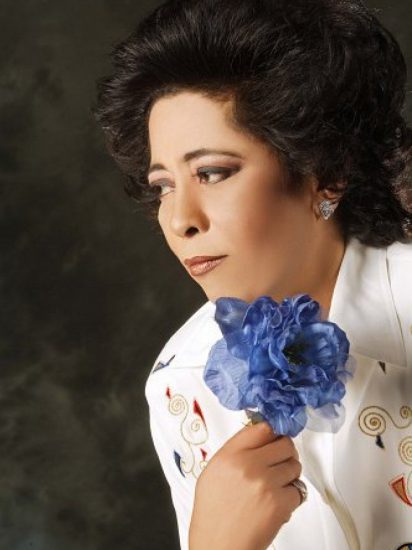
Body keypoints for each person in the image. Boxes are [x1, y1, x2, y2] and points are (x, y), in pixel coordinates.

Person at [92, 0, 412, 548]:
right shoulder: (181, 382)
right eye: (163, 186)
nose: (180, 219)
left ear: (326, 174)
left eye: (212, 173)